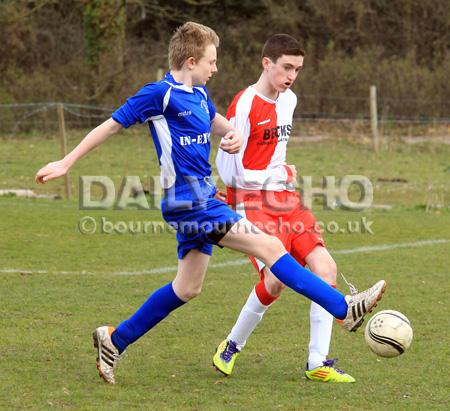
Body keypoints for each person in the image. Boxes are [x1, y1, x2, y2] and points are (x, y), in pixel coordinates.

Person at [35, 22, 386, 385]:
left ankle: (115, 340)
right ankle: (344, 307)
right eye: (211, 61)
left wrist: (232, 133)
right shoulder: (160, 94)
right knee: (270, 247)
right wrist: (66, 162)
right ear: (190, 61)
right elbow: (109, 126)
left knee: (188, 288)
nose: (215, 68)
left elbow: (216, 121)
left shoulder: (201, 94)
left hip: (203, 198)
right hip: (188, 203)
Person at [213, 34, 364, 382]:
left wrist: (281, 176)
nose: (292, 75)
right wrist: (276, 174)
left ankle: (318, 363)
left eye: (297, 69)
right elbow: (229, 172)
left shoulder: (290, 100)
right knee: (276, 279)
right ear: (267, 63)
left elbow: (276, 155)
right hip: (251, 203)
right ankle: (232, 344)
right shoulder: (245, 104)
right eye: (286, 67)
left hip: (287, 201)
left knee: (326, 267)